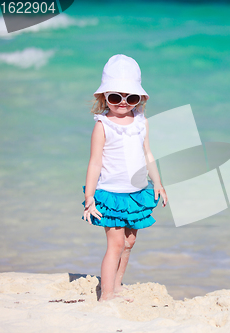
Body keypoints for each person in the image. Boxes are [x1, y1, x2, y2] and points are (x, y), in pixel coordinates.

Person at [82, 54, 168, 302]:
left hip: (137, 192)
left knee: (129, 243)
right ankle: (106, 295)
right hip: (111, 194)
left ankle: (117, 285)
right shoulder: (103, 126)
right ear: (104, 97)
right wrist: (90, 197)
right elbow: (95, 162)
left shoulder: (141, 122)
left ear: (139, 98)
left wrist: (158, 183)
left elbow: (148, 154)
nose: (122, 102)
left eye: (130, 97)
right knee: (116, 244)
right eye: (114, 97)